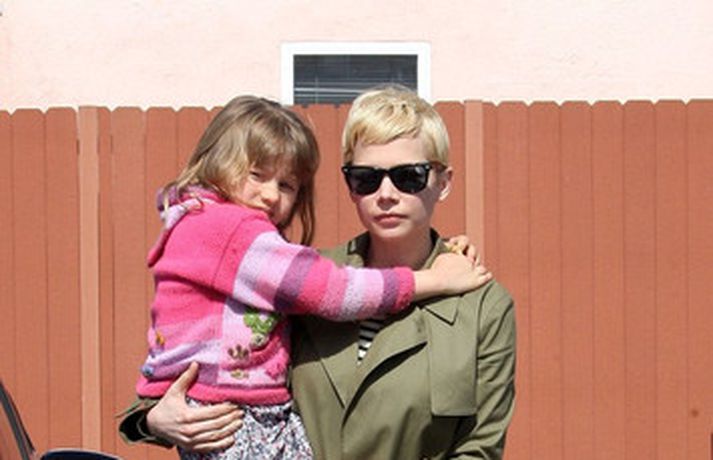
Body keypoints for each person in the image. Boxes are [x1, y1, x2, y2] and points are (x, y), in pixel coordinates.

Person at [123, 94, 492, 459]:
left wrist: (444, 262)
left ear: (443, 182)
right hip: (237, 420)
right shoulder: (264, 251)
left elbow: (479, 446)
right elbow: (333, 290)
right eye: (366, 178)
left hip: (256, 418)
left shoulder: (482, 307)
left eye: (408, 177)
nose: (270, 195)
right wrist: (151, 420)